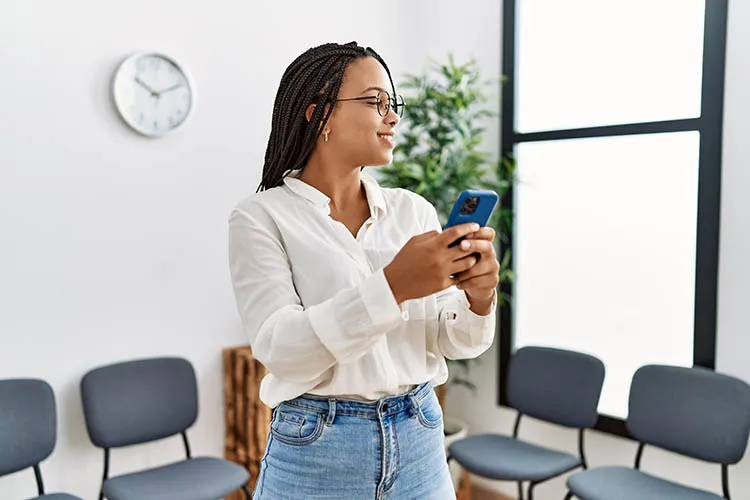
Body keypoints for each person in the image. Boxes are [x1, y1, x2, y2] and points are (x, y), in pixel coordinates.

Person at [228, 41, 499, 500]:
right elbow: (280, 347)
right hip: (317, 448)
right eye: (376, 102)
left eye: (393, 105)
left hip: (420, 436)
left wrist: (479, 299)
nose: (393, 117)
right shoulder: (260, 217)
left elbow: (454, 342)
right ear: (320, 115)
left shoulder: (412, 212)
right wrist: (393, 287)